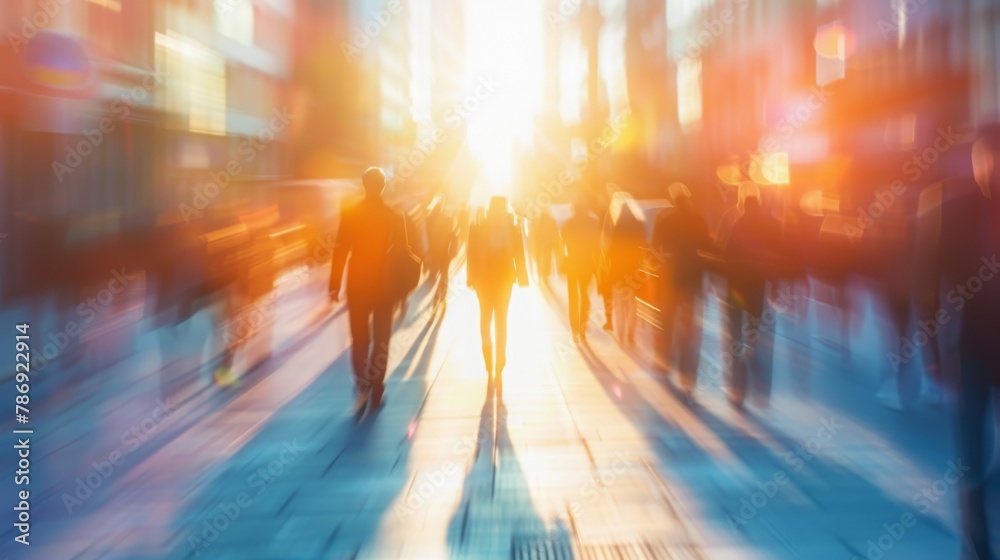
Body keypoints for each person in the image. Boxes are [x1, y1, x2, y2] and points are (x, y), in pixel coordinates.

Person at [940, 125, 1000, 560]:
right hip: (973, 349)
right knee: (972, 453)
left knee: (973, 453)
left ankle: (976, 535)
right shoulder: (956, 211)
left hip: (973, 348)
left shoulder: (957, 210)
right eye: (984, 159)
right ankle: (976, 540)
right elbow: (940, 279)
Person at [329, 167, 409, 416]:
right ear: (383, 186)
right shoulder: (394, 216)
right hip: (385, 285)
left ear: (364, 185)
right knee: (382, 339)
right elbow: (403, 254)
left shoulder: (351, 214)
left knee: (360, 338)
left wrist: (334, 285)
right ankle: (377, 388)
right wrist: (402, 290)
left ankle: (362, 384)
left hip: (358, 283)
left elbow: (340, 250)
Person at [723, 183, 783, 408]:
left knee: (734, 338)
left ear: (742, 203)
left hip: (736, 291)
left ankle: (737, 389)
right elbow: (775, 259)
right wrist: (775, 285)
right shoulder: (768, 226)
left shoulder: (736, 225)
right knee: (754, 337)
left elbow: (726, 258)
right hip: (757, 291)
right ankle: (760, 387)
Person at [651, 182, 713, 398]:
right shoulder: (698, 219)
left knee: (666, 323)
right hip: (692, 282)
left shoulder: (664, 219)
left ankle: (665, 362)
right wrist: (708, 279)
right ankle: (687, 374)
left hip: (669, 282)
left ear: (672, 199)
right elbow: (707, 249)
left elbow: (655, 250)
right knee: (689, 330)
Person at [467, 197, 528, 393]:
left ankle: (488, 359)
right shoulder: (512, 227)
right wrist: (523, 277)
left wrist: (470, 278)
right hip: (504, 280)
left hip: (483, 281)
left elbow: (471, 255)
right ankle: (500, 362)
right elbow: (519, 254)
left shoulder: (478, 227)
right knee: (502, 319)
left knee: (485, 318)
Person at [601, 194, 647, 344]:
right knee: (632, 302)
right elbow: (643, 247)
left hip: (617, 270)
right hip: (633, 270)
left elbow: (610, 249)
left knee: (619, 303)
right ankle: (630, 333)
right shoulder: (639, 225)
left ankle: (621, 334)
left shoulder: (617, 226)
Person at [561, 201, 602, 344]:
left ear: (573, 209)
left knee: (573, 297)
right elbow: (597, 246)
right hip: (587, 264)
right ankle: (583, 329)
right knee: (584, 295)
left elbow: (563, 244)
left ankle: (574, 330)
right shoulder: (593, 223)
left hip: (572, 264)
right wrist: (598, 266)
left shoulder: (567, 224)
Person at [532, 207, 560, 284]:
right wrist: (555, 244)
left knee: (540, 259)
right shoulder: (552, 221)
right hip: (548, 244)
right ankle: (545, 274)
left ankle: (541, 274)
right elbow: (555, 233)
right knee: (547, 259)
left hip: (541, 244)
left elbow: (535, 234)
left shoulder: (538, 222)